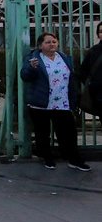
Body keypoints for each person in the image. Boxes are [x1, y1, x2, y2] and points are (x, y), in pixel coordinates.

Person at [20, 31, 91, 172]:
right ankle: (47, 158)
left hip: (62, 103)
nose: (52, 44)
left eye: (54, 41)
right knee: (43, 133)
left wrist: (74, 97)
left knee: (68, 132)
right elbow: (25, 76)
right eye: (48, 42)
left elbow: (71, 79)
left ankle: (74, 159)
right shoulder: (34, 59)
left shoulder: (64, 58)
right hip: (41, 103)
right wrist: (31, 68)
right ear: (40, 45)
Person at [79, 21, 102, 113]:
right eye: (101, 31)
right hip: (100, 96)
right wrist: (93, 85)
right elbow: (83, 71)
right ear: (98, 35)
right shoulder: (94, 51)